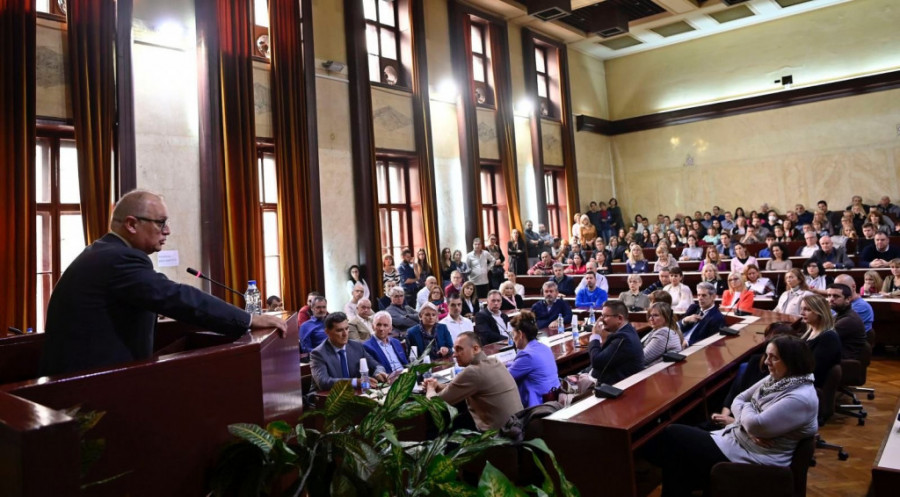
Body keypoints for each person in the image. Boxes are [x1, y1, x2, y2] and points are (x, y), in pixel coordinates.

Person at [38, 190, 286, 376]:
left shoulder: (104, 251)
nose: (167, 231)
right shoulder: (119, 259)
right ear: (132, 224)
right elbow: (175, 297)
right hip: (92, 384)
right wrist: (249, 319)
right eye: (160, 223)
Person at [644, 335, 818, 497]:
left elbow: (754, 424)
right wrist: (748, 423)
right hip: (737, 439)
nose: (766, 362)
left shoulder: (800, 398)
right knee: (677, 460)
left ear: (792, 361)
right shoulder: (778, 379)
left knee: (672, 435)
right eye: (767, 356)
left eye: (774, 358)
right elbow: (739, 399)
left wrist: (748, 413)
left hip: (753, 457)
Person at [424, 332, 524, 431]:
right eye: (454, 350)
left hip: (500, 435)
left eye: (459, 349)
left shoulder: (472, 372)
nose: (454, 355)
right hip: (519, 426)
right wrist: (439, 386)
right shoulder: (494, 361)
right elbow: (458, 388)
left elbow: (434, 404)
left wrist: (430, 388)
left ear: (475, 349)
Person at [310, 312, 388, 391]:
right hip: (327, 396)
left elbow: (376, 365)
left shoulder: (356, 346)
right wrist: (355, 382)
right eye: (339, 330)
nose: (345, 334)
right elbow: (323, 382)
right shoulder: (318, 354)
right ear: (327, 332)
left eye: (347, 328)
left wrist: (378, 373)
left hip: (355, 394)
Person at [506, 311, 560, 408]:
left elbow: (505, 377)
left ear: (520, 334)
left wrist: (497, 365)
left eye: (513, 334)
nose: (513, 338)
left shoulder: (527, 355)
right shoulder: (544, 348)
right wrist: (507, 364)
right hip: (553, 399)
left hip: (538, 407)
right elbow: (518, 365)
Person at [589, 300, 644, 384]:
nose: (602, 319)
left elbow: (596, 362)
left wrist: (595, 336)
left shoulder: (623, 339)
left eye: (606, 316)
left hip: (612, 386)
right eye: (602, 315)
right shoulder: (628, 330)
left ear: (619, 318)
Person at [799, 294, 842, 391]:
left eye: (807, 309)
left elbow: (815, 370)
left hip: (808, 387)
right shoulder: (809, 332)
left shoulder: (829, 338)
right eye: (801, 309)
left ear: (819, 312)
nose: (801, 313)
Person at [826, 284, 867, 361]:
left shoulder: (848, 320)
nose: (831, 299)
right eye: (829, 296)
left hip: (842, 361)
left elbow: (822, 339)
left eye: (836, 296)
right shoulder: (840, 314)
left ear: (848, 299)